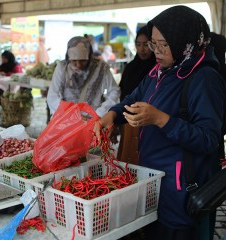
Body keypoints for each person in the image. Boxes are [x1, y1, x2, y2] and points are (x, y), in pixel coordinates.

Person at [95, 6, 226, 240]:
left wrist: (161, 120)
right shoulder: (160, 71)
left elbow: (208, 139)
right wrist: (112, 115)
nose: (156, 50)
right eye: (153, 44)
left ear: (184, 42)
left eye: (163, 44)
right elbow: (133, 98)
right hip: (154, 180)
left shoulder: (204, 78)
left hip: (181, 188)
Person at [47, 36, 120, 118]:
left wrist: (100, 112)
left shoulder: (101, 68)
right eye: (74, 61)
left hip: (94, 119)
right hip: (67, 119)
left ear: (89, 57)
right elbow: (53, 95)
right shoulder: (62, 67)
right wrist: (68, 115)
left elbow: (114, 91)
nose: (78, 65)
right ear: (68, 57)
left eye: (82, 61)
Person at [116, 25, 156, 164]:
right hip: (127, 121)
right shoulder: (130, 67)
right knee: (127, 161)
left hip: (147, 123)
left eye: (146, 44)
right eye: (138, 45)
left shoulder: (156, 69)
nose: (142, 49)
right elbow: (123, 93)